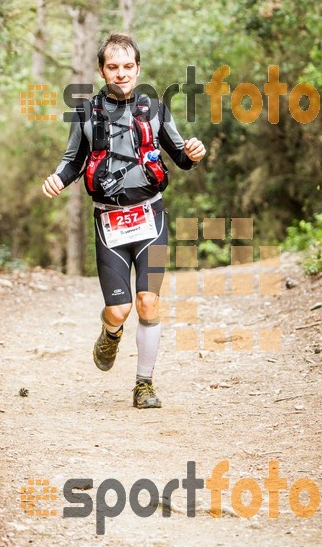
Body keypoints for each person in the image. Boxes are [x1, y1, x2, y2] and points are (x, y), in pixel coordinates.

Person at [42, 33, 206, 409]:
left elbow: (180, 156)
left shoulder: (155, 108)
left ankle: (144, 384)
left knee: (149, 303)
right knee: (119, 309)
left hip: (152, 216)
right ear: (102, 70)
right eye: (112, 67)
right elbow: (73, 160)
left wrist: (195, 153)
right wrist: (57, 178)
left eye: (127, 67)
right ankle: (110, 332)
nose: (121, 74)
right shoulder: (84, 112)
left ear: (137, 68)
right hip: (109, 222)